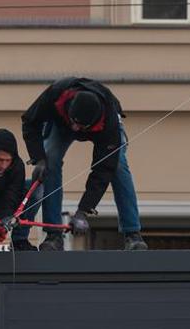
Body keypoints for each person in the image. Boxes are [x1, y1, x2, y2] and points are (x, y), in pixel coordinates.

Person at [20, 76, 147, 252]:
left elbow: (103, 171)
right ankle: (53, 234)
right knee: (50, 161)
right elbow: (29, 122)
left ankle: (132, 234)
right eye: (74, 123)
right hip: (60, 122)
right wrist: (38, 158)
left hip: (102, 127)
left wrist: (83, 211)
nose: (75, 130)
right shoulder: (55, 94)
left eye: (81, 127)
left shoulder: (108, 123)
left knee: (117, 165)